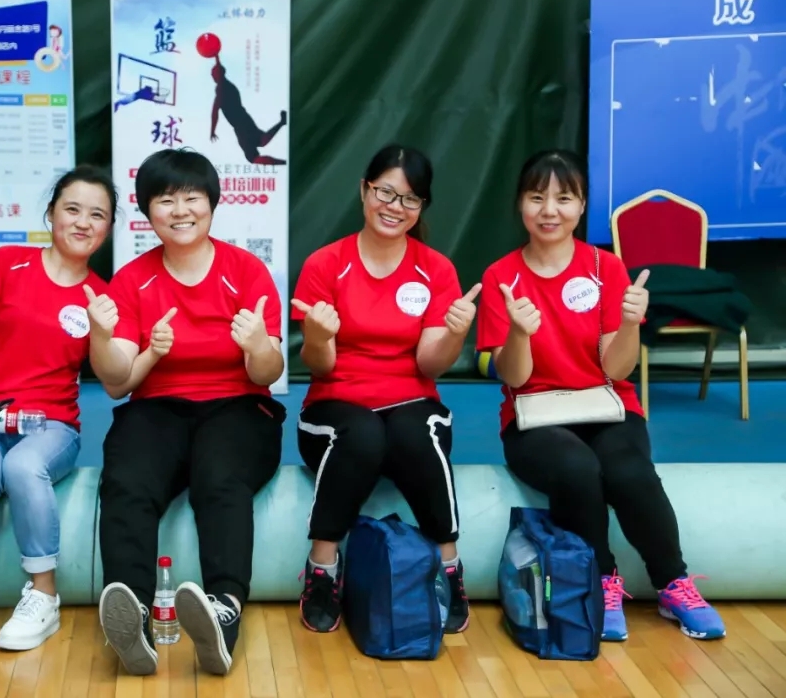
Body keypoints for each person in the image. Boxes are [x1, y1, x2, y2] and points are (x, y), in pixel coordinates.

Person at [475, 149, 726, 642]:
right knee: (577, 468)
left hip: (607, 405)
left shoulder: (606, 268)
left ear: (582, 205)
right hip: (534, 416)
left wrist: (631, 323)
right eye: (537, 197)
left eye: (564, 198)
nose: (550, 210)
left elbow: (617, 368)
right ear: (520, 204)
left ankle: (673, 584)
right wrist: (520, 333)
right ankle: (601, 581)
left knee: (629, 471)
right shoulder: (501, 276)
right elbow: (515, 378)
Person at [86, 148, 286, 677]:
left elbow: (268, 371)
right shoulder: (133, 280)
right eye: (165, 200)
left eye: (192, 197)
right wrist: (102, 337)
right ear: (147, 211)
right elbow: (117, 380)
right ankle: (131, 614)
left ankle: (224, 610)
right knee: (127, 479)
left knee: (220, 476)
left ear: (212, 204)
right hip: (157, 407)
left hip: (239, 405)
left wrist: (258, 344)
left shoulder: (245, 271)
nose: (180, 210)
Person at [290, 145, 475, 636]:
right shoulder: (325, 264)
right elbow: (320, 366)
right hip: (335, 409)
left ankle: (449, 568)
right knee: (364, 433)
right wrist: (317, 337)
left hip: (413, 406)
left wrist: (455, 334)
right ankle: (322, 568)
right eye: (385, 193)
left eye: (410, 199)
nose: (395, 207)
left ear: (422, 206)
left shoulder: (436, 269)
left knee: (417, 432)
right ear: (364, 190)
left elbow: (429, 363)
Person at [0, 166, 116, 652]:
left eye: (97, 215)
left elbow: (111, 372)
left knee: (21, 466)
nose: (83, 222)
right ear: (51, 213)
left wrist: (103, 332)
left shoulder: (101, 296)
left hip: (52, 426)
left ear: (108, 227)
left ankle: (44, 596)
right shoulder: (7, 263)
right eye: (72, 209)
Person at [209, 56, 287, 165]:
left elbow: (214, 112)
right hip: (245, 119)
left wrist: (212, 131)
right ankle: (282, 123)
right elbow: (219, 68)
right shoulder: (228, 85)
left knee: (253, 158)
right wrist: (216, 55)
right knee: (261, 140)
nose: (211, 75)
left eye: (213, 73)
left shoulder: (221, 89)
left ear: (218, 74)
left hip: (240, 126)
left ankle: (284, 162)